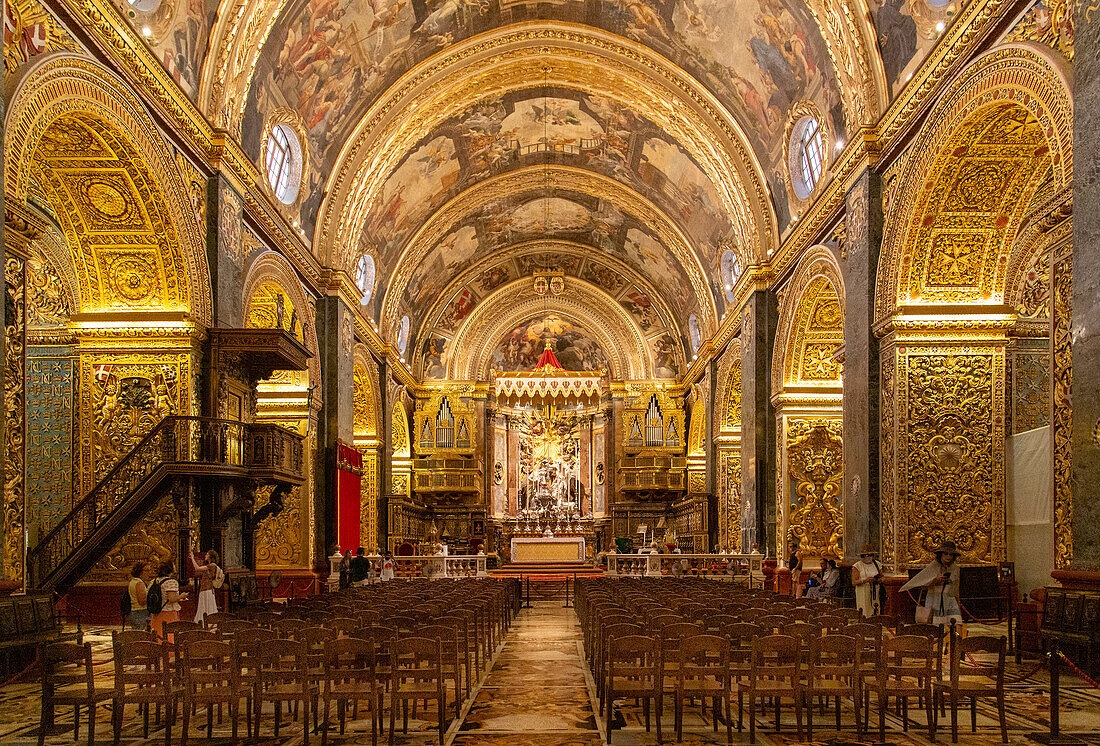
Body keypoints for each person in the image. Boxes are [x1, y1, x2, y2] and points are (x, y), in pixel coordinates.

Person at [900, 540, 963, 624]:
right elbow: (924, 585)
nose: (948, 556)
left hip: (949, 599)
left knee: (953, 624)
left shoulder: (955, 568)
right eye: (945, 554)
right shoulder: (934, 566)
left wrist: (958, 603)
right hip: (935, 599)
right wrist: (936, 580)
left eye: (951, 554)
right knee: (935, 624)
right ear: (941, 554)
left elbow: (956, 587)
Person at [149, 561, 185, 642]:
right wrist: (181, 596)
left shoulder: (153, 581)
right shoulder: (171, 582)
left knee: (158, 636)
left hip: (156, 613)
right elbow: (171, 599)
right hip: (168, 613)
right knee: (169, 637)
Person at [853, 543, 884, 617]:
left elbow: (883, 577)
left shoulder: (877, 564)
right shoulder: (857, 566)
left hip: (875, 590)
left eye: (871, 555)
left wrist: (878, 580)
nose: (870, 557)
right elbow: (854, 582)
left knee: (875, 608)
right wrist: (865, 580)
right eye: (867, 555)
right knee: (864, 609)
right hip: (863, 591)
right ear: (862, 556)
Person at [192, 550, 221, 624]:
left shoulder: (212, 565)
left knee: (206, 606)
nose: (205, 556)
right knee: (204, 606)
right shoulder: (210, 566)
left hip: (207, 589)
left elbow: (197, 568)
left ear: (211, 557)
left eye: (207, 554)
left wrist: (192, 558)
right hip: (205, 588)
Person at [127, 562, 150, 631]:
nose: (149, 573)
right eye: (146, 571)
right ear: (140, 571)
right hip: (141, 612)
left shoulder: (133, 581)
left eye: (149, 570)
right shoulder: (139, 583)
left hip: (134, 611)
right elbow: (142, 601)